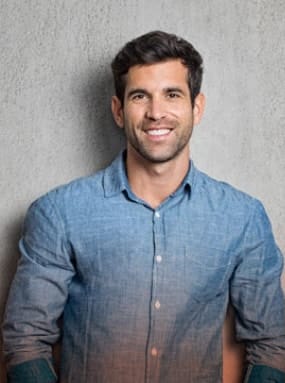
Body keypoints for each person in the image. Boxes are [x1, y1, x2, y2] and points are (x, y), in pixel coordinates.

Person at [2, 31, 285, 383]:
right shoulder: (58, 213)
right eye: (140, 96)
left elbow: (271, 344)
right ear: (119, 110)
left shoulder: (243, 218)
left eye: (172, 94)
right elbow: (26, 339)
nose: (156, 113)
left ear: (196, 108)